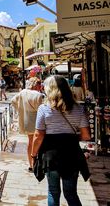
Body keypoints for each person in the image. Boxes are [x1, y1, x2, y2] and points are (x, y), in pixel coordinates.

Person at [31, 75, 90, 206]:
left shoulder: (44, 108)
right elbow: (86, 135)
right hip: (72, 154)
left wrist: (33, 155)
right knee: (71, 193)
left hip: (51, 156)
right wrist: (70, 138)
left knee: (53, 192)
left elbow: (38, 135)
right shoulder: (79, 109)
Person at [10, 77, 43, 172]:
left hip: (26, 121)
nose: (40, 86)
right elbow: (42, 110)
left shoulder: (22, 92)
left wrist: (20, 110)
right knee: (38, 142)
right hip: (37, 121)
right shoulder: (38, 95)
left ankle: (31, 165)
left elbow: (13, 101)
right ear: (35, 84)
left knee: (30, 141)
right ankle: (37, 164)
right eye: (39, 84)